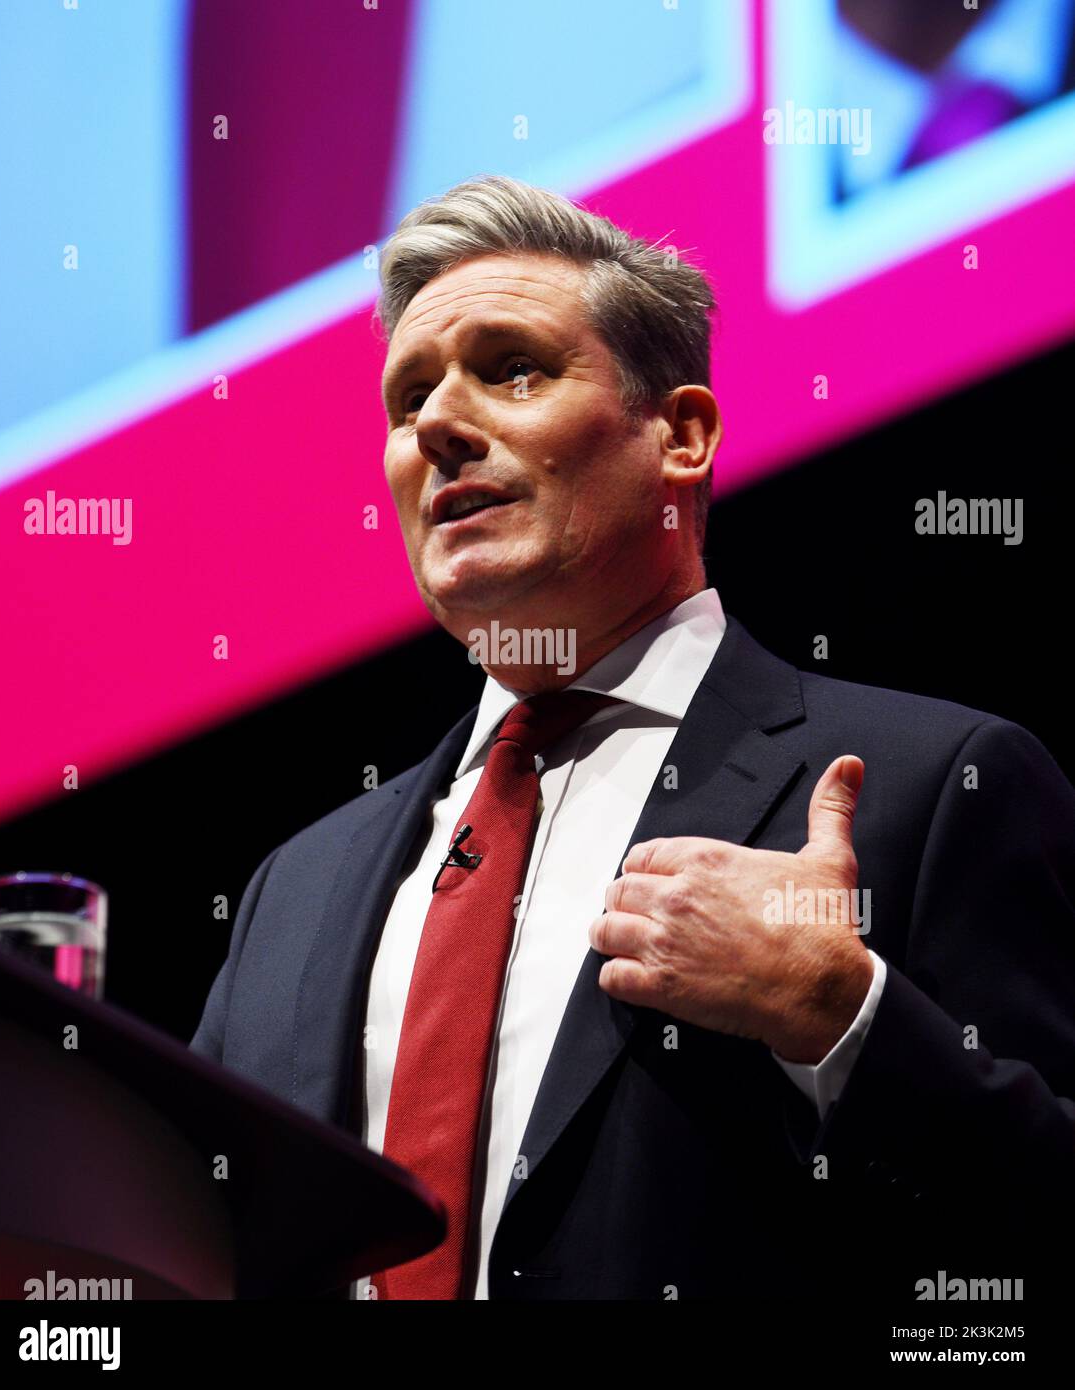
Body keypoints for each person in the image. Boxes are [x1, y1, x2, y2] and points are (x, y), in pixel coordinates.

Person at [190, 174, 1075, 1302]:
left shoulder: (936, 782)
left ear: (682, 434)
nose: (440, 428)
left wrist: (844, 1022)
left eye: (511, 368)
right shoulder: (292, 893)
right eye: (409, 400)